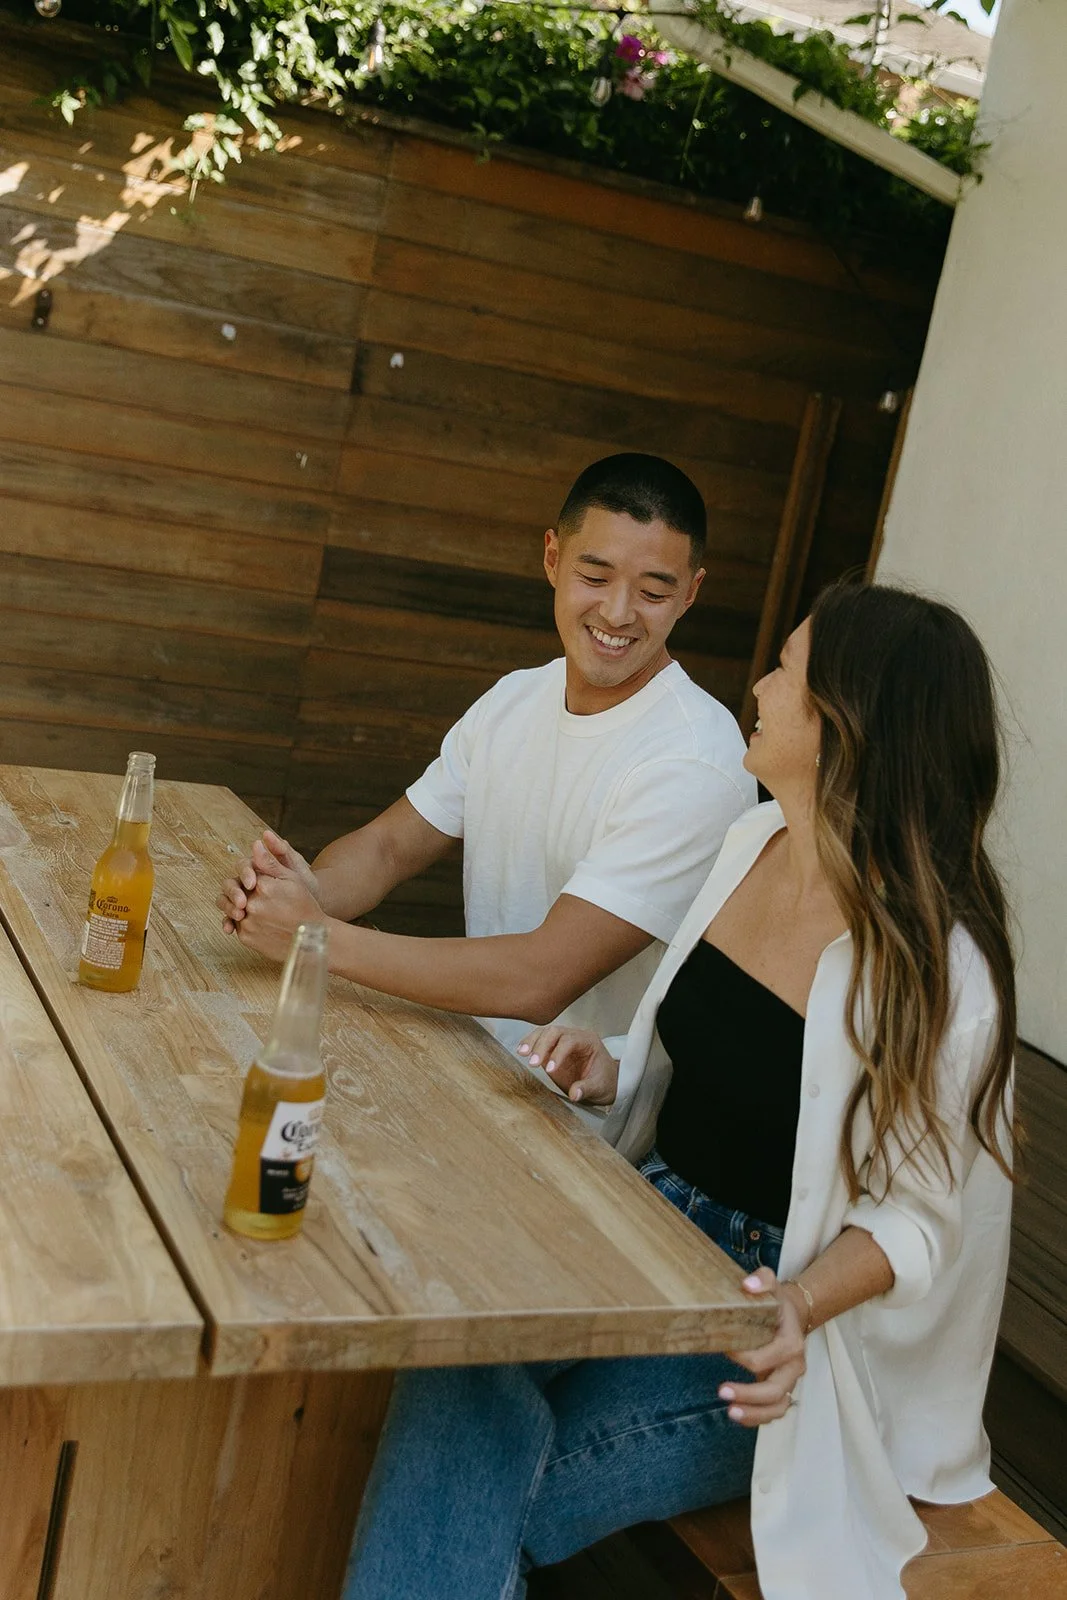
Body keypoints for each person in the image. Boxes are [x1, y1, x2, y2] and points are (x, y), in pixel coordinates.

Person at [341, 582, 1017, 1600]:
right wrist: (610, 1059)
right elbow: (700, 1046)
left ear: (843, 722)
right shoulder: (750, 845)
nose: (755, 684)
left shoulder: (934, 969)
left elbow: (917, 1222)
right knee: (458, 1345)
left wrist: (791, 1304)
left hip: (771, 1320)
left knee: (491, 1489)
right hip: (644, 1220)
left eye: (783, 670)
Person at [218, 453, 754, 1072]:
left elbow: (540, 977)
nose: (617, 612)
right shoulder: (517, 697)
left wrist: (314, 938)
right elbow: (390, 846)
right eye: (595, 576)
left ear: (691, 593)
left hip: (576, 1128)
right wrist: (308, 893)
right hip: (465, 1065)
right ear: (552, 558)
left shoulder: (697, 759)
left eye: (654, 591)